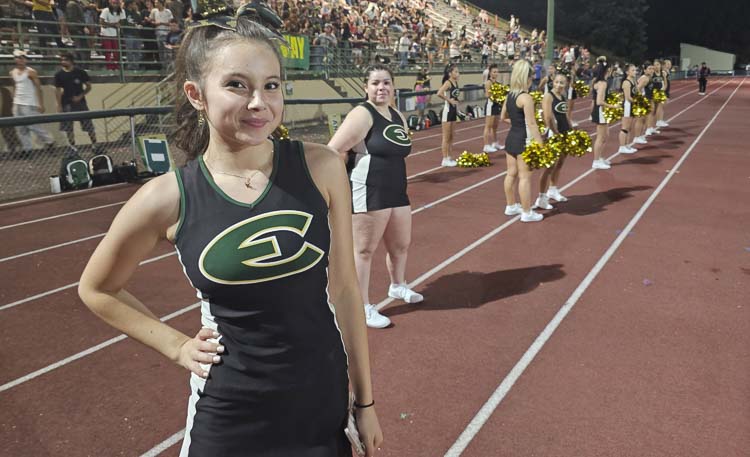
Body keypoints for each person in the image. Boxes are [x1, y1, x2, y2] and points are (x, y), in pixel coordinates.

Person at [78, 5, 383, 456]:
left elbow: (344, 291)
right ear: (197, 94)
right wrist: (179, 348)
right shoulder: (168, 198)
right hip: (230, 413)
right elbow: (97, 288)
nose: (259, 102)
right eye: (237, 85)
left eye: (271, 85)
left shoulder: (321, 168)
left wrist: (366, 401)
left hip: (320, 400)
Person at [328, 64, 423, 329]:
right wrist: (338, 185)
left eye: (386, 83)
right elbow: (334, 149)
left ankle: (398, 285)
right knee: (364, 250)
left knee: (401, 244)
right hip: (368, 189)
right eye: (375, 83)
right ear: (366, 87)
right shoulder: (362, 114)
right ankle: (361, 306)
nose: (381, 88)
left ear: (393, 86)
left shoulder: (397, 115)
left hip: (396, 189)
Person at [500, 59, 545, 222]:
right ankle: (527, 212)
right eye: (531, 76)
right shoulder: (526, 97)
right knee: (525, 176)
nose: (532, 79)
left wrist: (517, 123)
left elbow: (503, 117)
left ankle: (511, 206)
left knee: (511, 174)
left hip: (511, 138)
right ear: (526, 77)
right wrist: (540, 144)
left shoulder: (510, 95)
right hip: (523, 141)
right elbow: (532, 124)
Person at [536, 72, 571, 210]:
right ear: (552, 82)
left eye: (562, 82)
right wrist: (555, 132)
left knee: (560, 162)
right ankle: (541, 198)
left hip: (564, 132)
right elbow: (548, 118)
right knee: (549, 166)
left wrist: (570, 129)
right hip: (553, 134)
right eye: (557, 82)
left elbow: (565, 114)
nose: (559, 85)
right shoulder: (548, 96)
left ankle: (553, 189)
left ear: (566, 84)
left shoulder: (563, 96)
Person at [9, 50, 54, 155]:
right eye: (19, 58)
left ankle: (49, 141)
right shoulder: (13, 72)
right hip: (17, 103)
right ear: (15, 59)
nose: (21, 60)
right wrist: (14, 99)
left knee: (33, 125)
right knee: (20, 128)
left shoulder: (31, 72)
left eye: (23, 58)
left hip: (29, 102)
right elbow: (15, 86)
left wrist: (40, 104)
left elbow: (39, 88)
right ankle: (27, 149)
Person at [54, 52, 97, 147]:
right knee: (68, 127)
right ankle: (73, 147)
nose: (63, 62)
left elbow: (88, 87)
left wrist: (80, 96)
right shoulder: (59, 75)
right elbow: (57, 90)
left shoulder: (80, 72)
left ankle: (95, 144)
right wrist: (59, 105)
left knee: (88, 124)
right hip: (66, 103)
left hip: (80, 102)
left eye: (65, 60)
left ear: (71, 61)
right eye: (61, 60)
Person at [590, 57, 616, 170]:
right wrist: (613, 106)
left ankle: (600, 157)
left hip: (600, 111)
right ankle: (595, 161)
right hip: (600, 111)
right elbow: (599, 101)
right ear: (607, 70)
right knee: (600, 137)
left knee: (605, 135)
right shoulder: (602, 83)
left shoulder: (598, 82)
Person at [436, 63, 459, 167]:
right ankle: (444, 158)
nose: (458, 74)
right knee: (446, 137)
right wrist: (449, 100)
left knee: (452, 136)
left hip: (453, 111)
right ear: (450, 73)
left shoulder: (456, 82)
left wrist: (456, 102)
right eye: (456, 72)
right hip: (447, 111)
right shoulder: (448, 83)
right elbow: (439, 93)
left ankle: (449, 157)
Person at [617, 63, 638, 154]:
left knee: (629, 127)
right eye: (632, 70)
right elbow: (628, 97)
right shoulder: (626, 82)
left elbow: (636, 93)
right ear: (627, 72)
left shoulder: (633, 80)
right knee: (625, 127)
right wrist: (638, 102)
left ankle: (626, 145)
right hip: (627, 105)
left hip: (632, 105)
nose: (635, 72)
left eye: (635, 70)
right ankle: (622, 147)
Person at [99, 0, 126, 71]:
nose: (115, 5)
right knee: (108, 51)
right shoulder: (106, 10)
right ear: (110, 3)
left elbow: (122, 21)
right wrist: (114, 25)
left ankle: (116, 66)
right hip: (106, 34)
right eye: (113, 3)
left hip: (116, 34)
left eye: (117, 3)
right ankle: (110, 67)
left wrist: (111, 24)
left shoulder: (122, 11)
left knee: (116, 52)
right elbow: (102, 22)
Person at [482, 63, 502, 153]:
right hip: (490, 105)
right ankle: (486, 145)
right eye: (494, 72)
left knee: (495, 126)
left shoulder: (498, 83)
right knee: (488, 126)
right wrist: (496, 96)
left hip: (497, 105)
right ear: (490, 73)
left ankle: (495, 143)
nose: (496, 73)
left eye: (497, 72)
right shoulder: (488, 83)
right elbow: (487, 95)